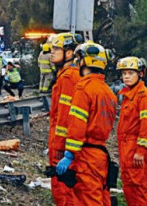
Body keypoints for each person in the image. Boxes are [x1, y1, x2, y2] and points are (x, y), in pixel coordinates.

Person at [56, 42, 117, 206]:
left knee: (87, 200)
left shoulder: (84, 88)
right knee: (101, 198)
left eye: (79, 59)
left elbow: (78, 123)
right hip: (101, 156)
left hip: (86, 156)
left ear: (86, 62)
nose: (77, 63)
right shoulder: (109, 93)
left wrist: (70, 154)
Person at [116, 56, 147, 206]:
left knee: (137, 189)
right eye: (124, 73)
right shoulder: (129, 95)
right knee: (129, 188)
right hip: (127, 149)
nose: (126, 76)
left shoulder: (143, 96)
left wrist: (141, 150)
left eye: (130, 73)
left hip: (135, 150)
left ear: (140, 74)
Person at [47, 32, 82, 206]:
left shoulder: (68, 77)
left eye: (56, 49)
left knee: (63, 190)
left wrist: (61, 147)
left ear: (69, 53)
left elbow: (65, 116)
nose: (51, 52)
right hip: (62, 141)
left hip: (61, 142)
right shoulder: (66, 74)